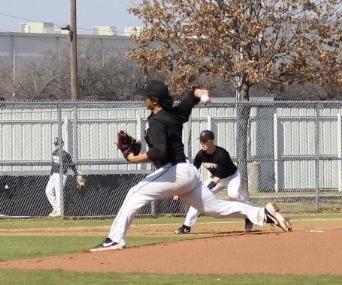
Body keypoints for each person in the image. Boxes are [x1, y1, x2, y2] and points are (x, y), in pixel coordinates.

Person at [90, 80, 291, 252]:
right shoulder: (174, 114)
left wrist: (134, 158)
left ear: (155, 100)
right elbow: (192, 96)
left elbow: (159, 152)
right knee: (216, 208)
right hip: (187, 173)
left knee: (135, 193)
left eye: (146, 97)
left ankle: (115, 239)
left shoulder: (158, 121)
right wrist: (202, 93)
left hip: (174, 171)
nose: (144, 100)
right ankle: (263, 214)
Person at [175, 130, 253, 234]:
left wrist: (205, 190)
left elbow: (217, 179)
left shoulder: (222, 154)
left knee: (233, 196)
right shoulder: (200, 155)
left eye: (205, 140)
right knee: (199, 197)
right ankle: (186, 226)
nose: (202, 143)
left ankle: (250, 214)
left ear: (212, 141)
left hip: (231, 177)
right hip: (215, 177)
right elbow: (192, 172)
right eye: (201, 141)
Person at [45, 137, 79, 217]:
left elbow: (72, 165)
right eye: (56, 144)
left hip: (62, 175)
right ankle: (55, 208)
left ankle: (59, 212)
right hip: (54, 174)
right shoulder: (54, 153)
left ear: (62, 144)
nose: (56, 146)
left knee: (58, 192)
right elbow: (53, 164)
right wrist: (51, 173)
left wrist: (77, 175)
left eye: (58, 144)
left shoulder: (65, 155)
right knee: (48, 190)